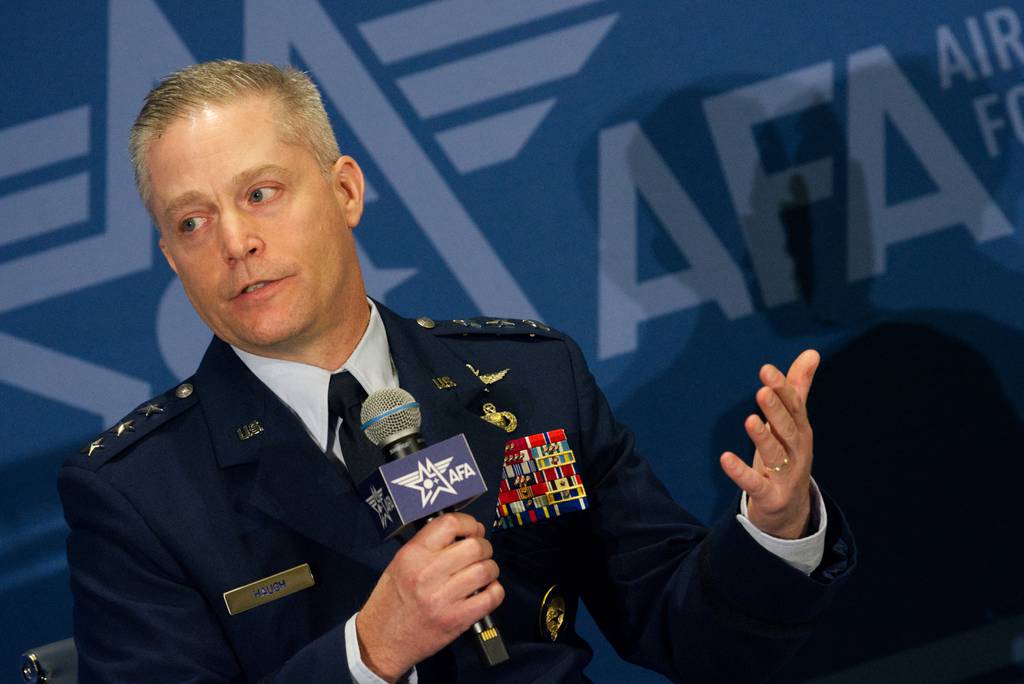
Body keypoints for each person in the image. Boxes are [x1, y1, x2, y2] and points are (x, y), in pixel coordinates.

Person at [59, 60, 855, 683]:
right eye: (192, 221)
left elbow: (684, 632)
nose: (234, 242)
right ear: (171, 257)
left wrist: (777, 533)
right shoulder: (138, 495)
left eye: (260, 194)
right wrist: (369, 653)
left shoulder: (532, 381)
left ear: (344, 192)